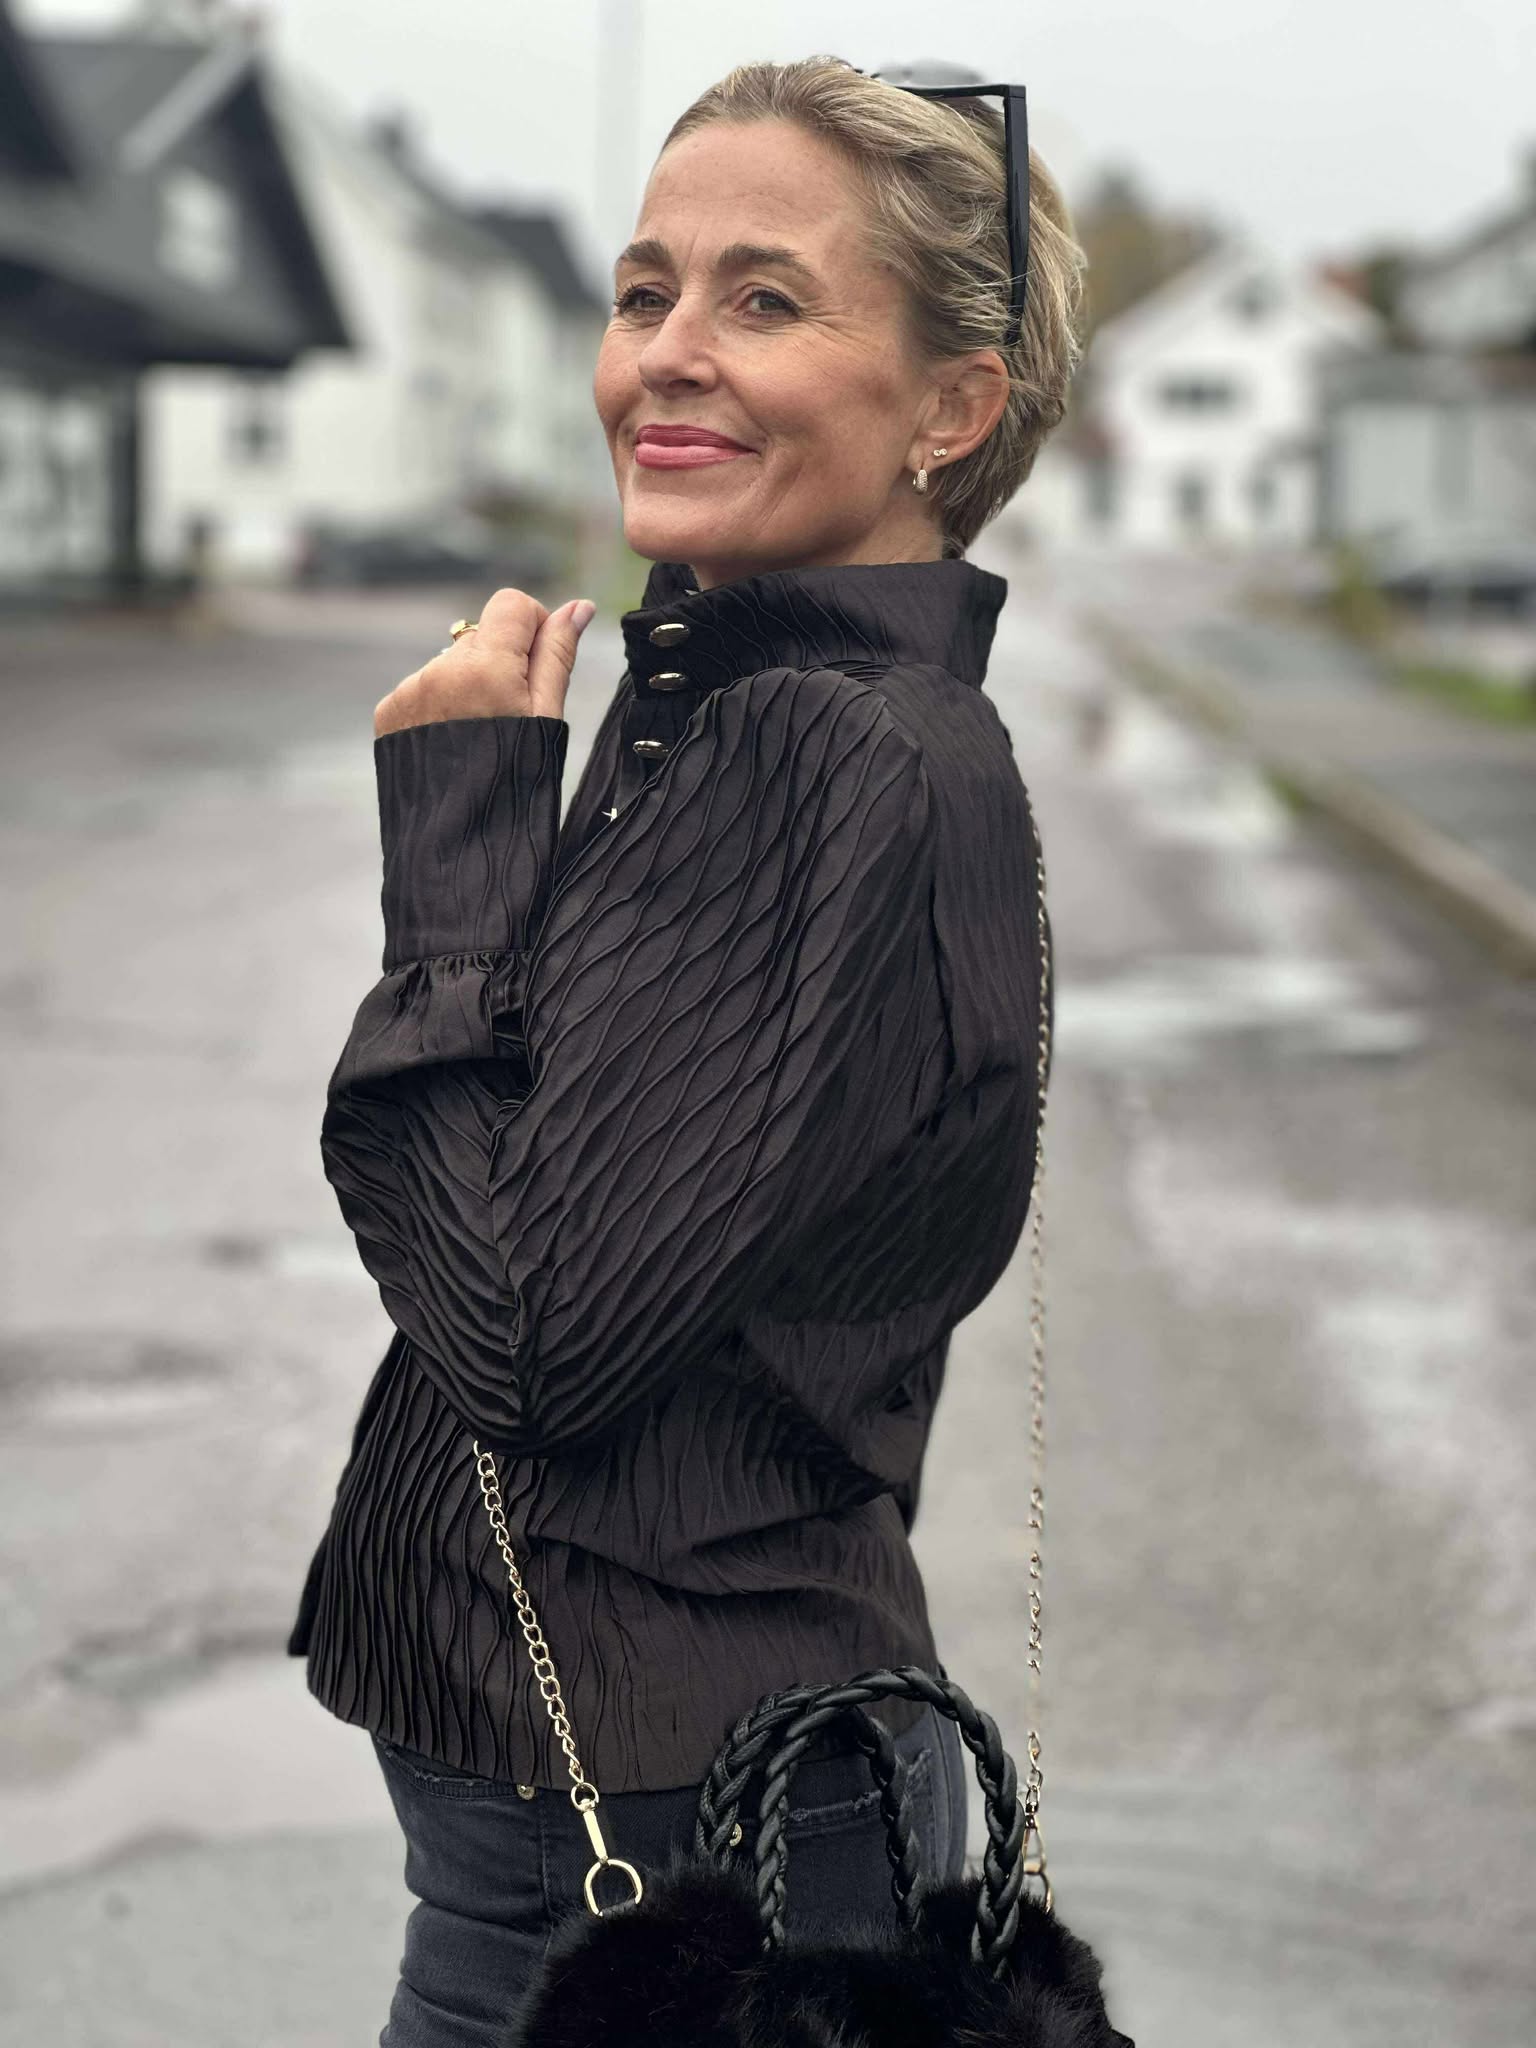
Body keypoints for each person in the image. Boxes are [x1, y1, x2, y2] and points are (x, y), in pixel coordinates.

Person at [284, 53, 1086, 2047]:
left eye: (767, 298)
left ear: (951, 409)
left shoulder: (817, 752)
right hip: (666, 1799)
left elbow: (524, 1334)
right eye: (645, 291)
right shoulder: (752, 704)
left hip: (643, 1861)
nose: (667, 353)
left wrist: (458, 840)